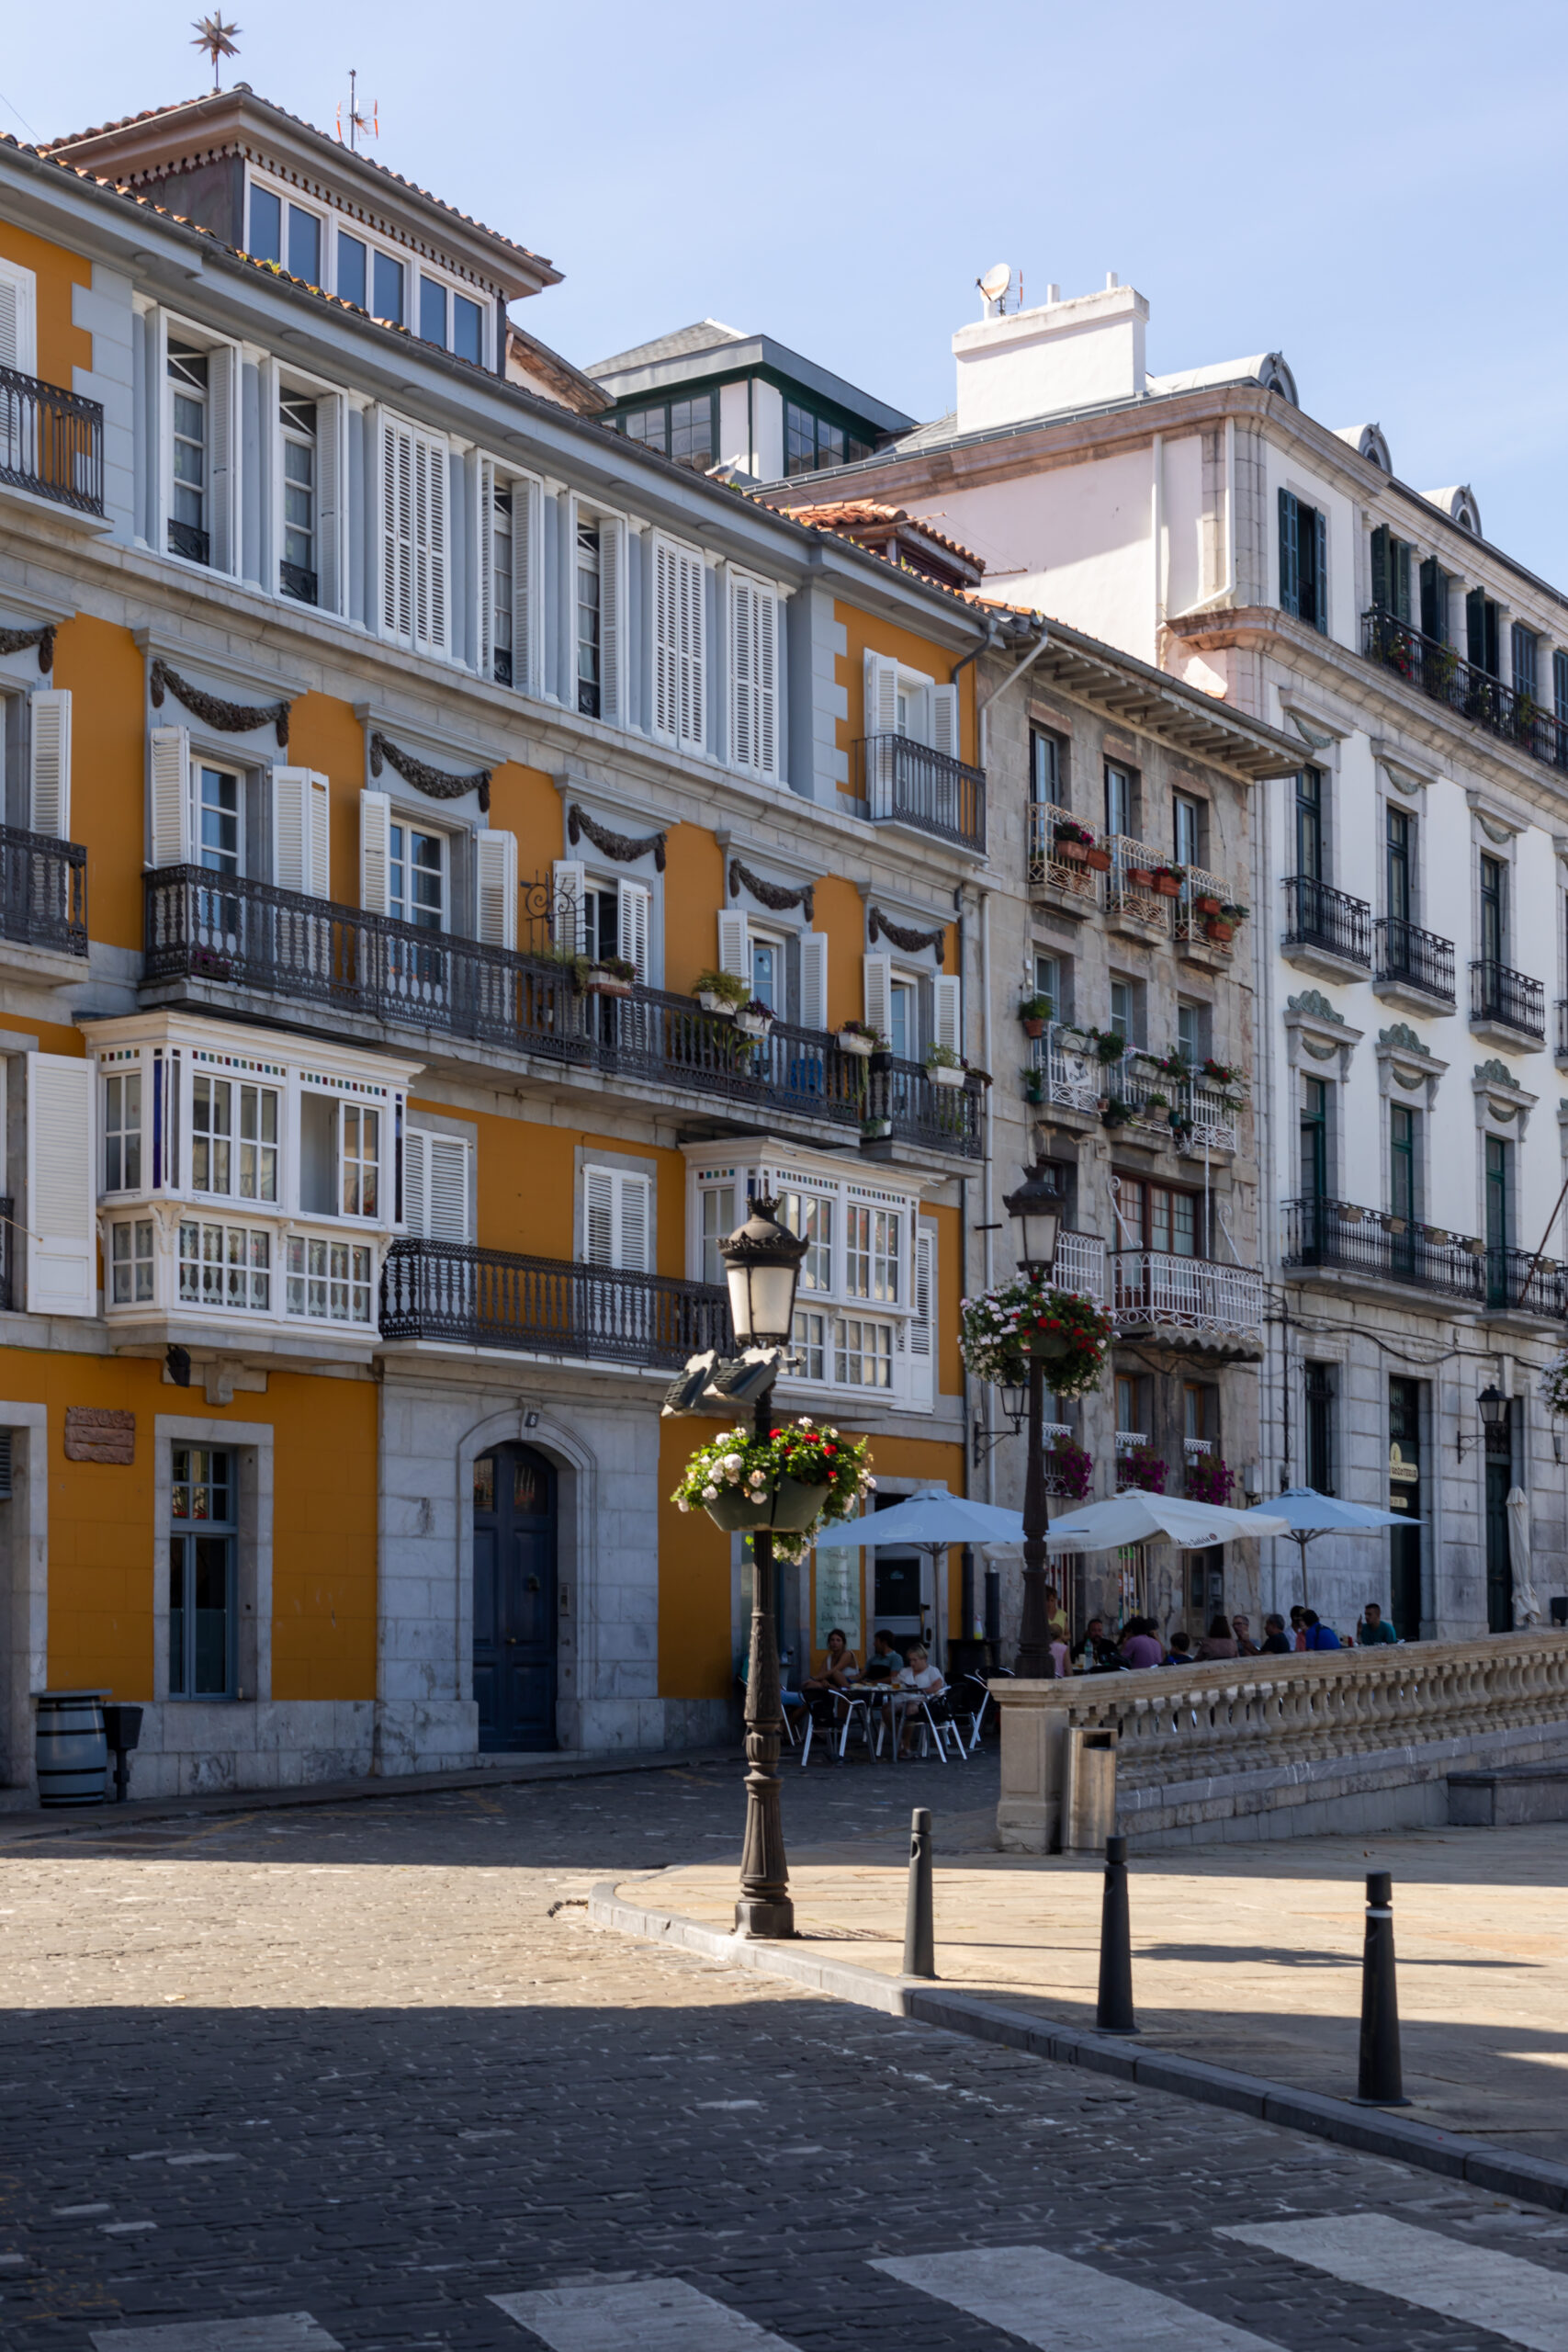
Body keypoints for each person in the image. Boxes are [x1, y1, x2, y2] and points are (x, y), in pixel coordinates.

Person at [893, 1643, 945, 1756]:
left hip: (923, 1701)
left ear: (924, 1659)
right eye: (910, 1660)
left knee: (911, 1709)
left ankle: (906, 1744)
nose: (912, 1663)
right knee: (887, 1709)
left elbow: (937, 1686)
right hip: (903, 1698)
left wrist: (920, 1690)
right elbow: (896, 1684)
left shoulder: (932, 1671)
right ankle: (900, 1738)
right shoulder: (906, 1671)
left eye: (915, 1660)